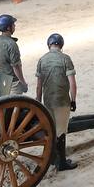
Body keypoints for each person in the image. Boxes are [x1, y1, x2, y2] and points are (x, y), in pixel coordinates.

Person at [35, 33, 78, 171]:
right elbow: (72, 83)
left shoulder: (42, 60)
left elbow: (39, 85)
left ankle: (52, 158)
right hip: (62, 100)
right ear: (61, 45)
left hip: (48, 100)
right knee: (61, 131)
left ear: (49, 45)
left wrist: (38, 101)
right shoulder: (65, 59)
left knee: (51, 129)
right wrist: (73, 100)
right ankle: (62, 162)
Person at [0, 13, 28, 93]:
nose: (15, 26)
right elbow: (16, 67)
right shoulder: (12, 44)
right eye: (13, 24)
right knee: (16, 104)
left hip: (3, 80)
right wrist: (23, 82)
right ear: (8, 28)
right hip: (14, 83)